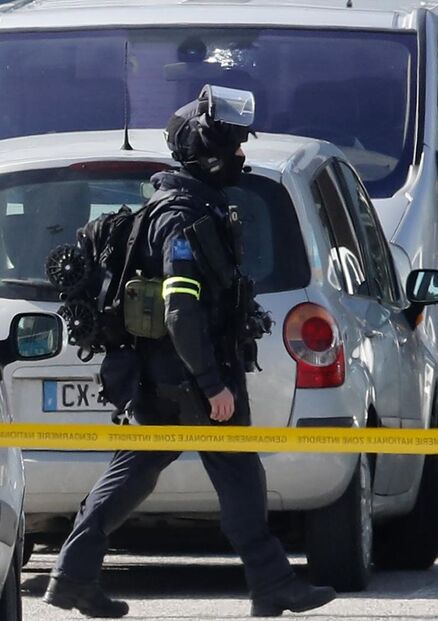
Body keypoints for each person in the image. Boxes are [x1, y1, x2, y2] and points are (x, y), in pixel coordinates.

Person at [42, 87, 336, 618]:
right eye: (235, 149)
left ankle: (72, 576)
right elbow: (181, 310)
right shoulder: (183, 217)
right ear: (207, 154)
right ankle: (272, 585)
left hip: (160, 379)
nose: (242, 158)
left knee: (133, 473)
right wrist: (211, 383)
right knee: (239, 474)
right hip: (189, 379)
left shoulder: (179, 206)